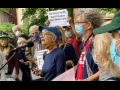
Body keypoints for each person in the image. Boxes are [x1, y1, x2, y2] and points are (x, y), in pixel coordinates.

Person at [68, 8, 103, 80]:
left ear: (88, 25)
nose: (76, 25)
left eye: (78, 22)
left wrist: (87, 80)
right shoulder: (84, 42)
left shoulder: (97, 42)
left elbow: (105, 69)